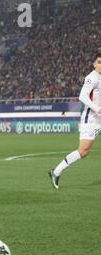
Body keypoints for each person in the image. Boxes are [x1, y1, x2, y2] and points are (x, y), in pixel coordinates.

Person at [49, 52, 101, 189]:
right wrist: (97, 109)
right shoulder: (92, 78)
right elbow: (83, 96)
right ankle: (56, 172)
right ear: (94, 64)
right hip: (91, 119)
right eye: (99, 62)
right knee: (83, 151)